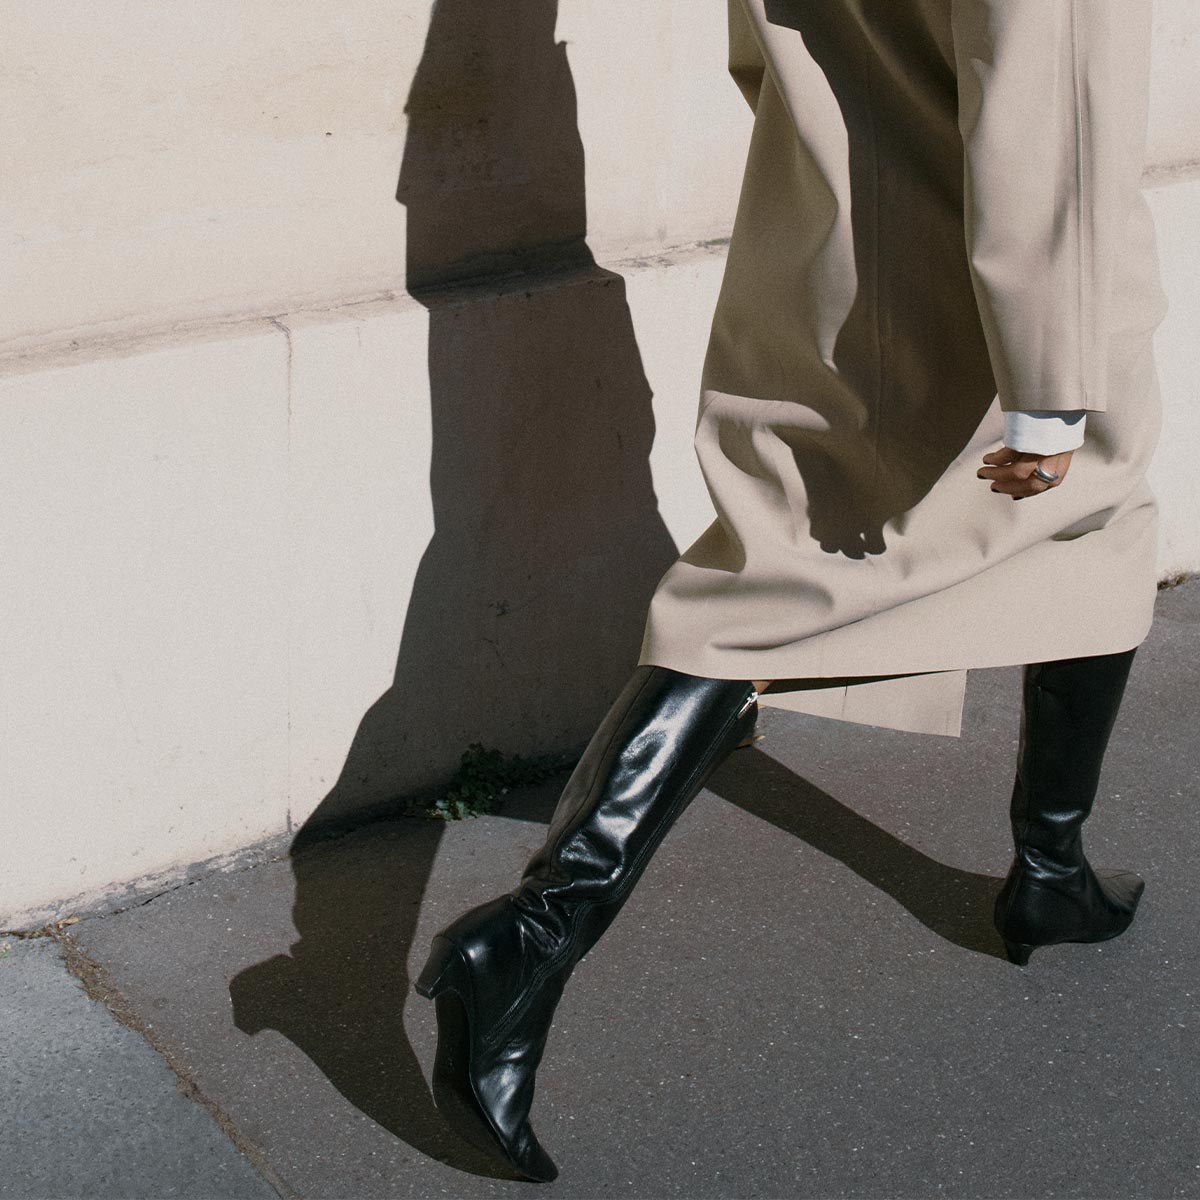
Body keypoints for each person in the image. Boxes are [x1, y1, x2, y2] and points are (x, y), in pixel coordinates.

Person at [414, 0, 1167, 1182]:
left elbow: (758, 42)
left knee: (1056, 541)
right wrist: (1051, 377)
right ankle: (533, 934)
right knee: (834, 579)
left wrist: (833, 156)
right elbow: (1054, 86)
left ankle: (1053, 871)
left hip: (833, 226)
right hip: (992, 264)